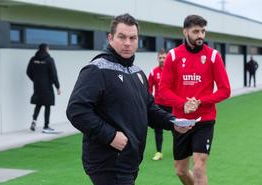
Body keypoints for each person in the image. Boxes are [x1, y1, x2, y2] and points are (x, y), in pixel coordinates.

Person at [66, 13, 179, 185]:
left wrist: (173, 122)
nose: (127, 43)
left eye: (132, 38)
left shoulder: (137, 73)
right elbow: (76, 110)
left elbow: (149, 109)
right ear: (110, 38)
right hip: (108, 162)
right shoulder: (96, 70)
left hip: (129, 160)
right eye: (122, 37)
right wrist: (110, 135)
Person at [159, 15, 231, 185]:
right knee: (181, 170)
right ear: (185, 32)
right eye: (196, 31)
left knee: (199, 167)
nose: (200, 35)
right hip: (181, 121)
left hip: (204, 119)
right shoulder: (173, 55)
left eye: (203, 31)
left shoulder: (213, 56)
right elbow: (163, 90)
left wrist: (200, 102)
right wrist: (183, 104)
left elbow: (225, 90)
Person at [27, 43, 61, 133]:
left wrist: (35, 80)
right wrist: (58, 87)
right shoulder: (49, 60)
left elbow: (28, 72)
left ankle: (34, 121)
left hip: (37, 86)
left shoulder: (33, 59)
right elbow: (53, 74)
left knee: (38, 104)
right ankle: (46, 126)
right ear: (46, 49)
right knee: (47, 105)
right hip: (47, 87)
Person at [148, 48, 172, 161]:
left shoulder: (173, 71)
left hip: (172, 105)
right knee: (158, 129)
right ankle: (159, 152)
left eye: (164, 57)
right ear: (158, 58)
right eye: (160, 57)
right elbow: (148, 88)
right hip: (158, 105)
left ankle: (179, 150)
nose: (162, 59)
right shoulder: (154, 72)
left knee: (176, 128)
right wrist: (151, 100)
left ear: (167, 58)